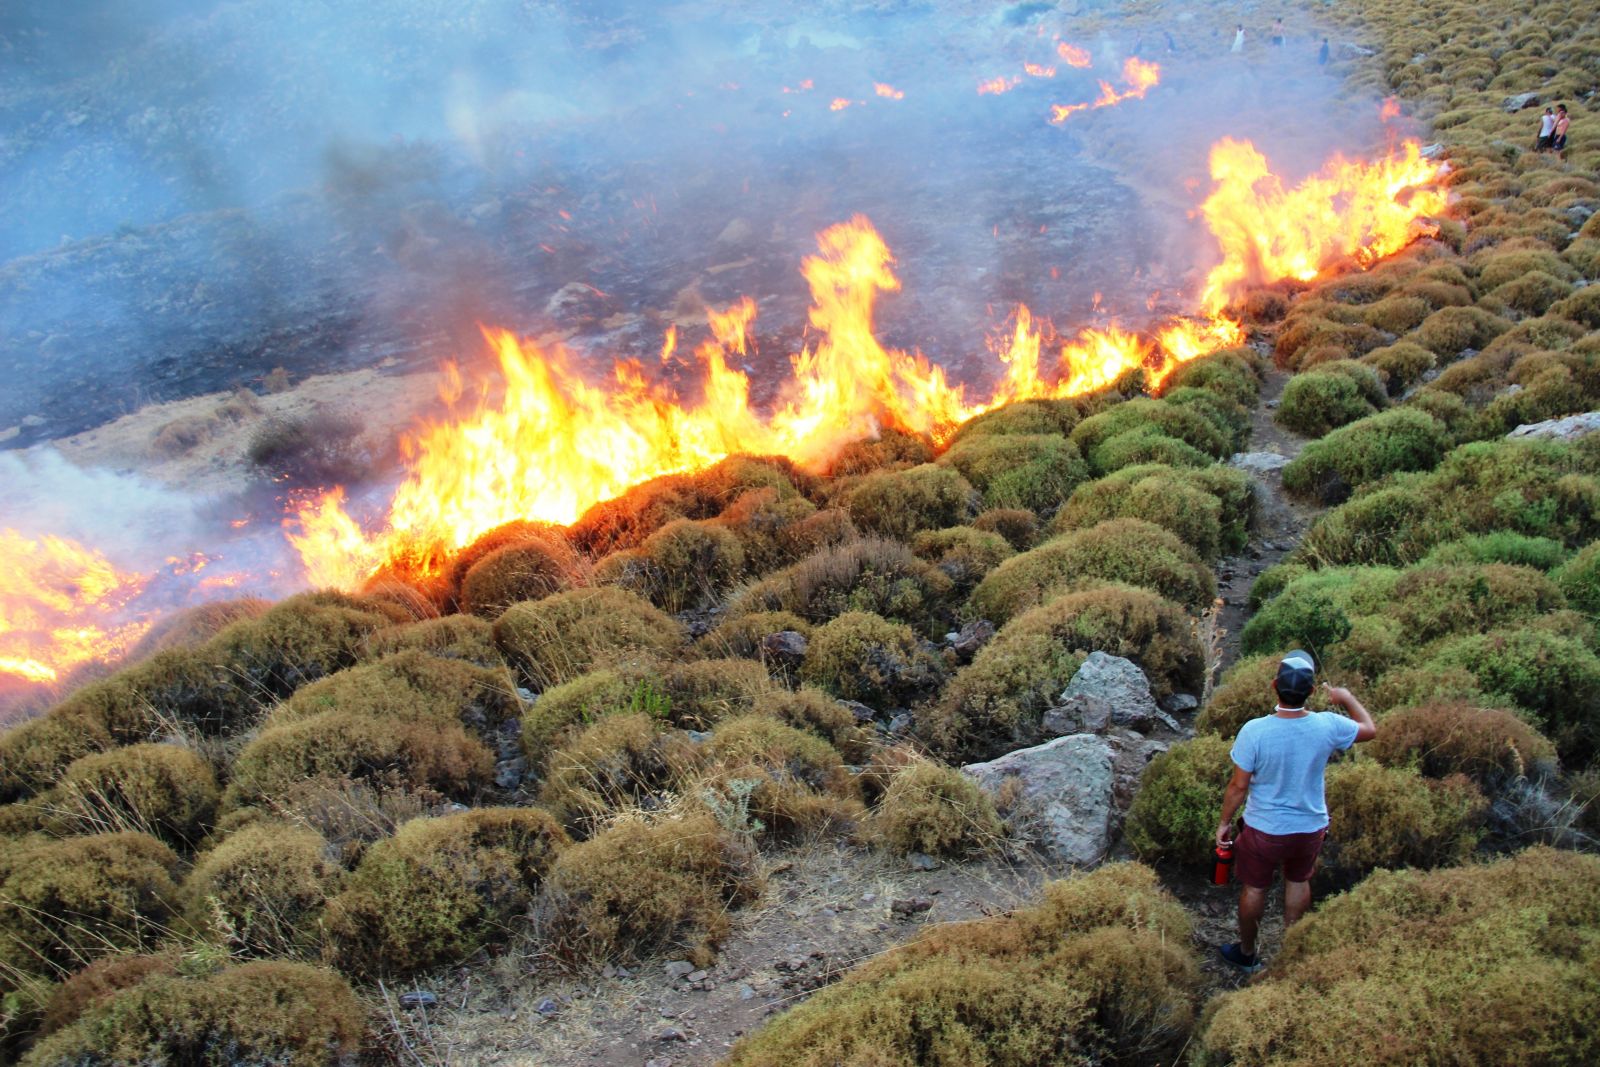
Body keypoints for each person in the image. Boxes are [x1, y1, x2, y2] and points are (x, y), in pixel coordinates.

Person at [1214, 650, 1377, 972]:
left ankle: (1247, 954)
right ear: (1312, 692)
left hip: (1264, 829)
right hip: (1309, 827)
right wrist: (1345, 697)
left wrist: (1224, 823)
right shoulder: (1328, 725)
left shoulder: (1255, 731)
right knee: (1299, 881)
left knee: (1255, 887)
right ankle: (1289, 952)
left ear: (1274, 686)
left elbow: (1238, 786)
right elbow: (1369, 728)